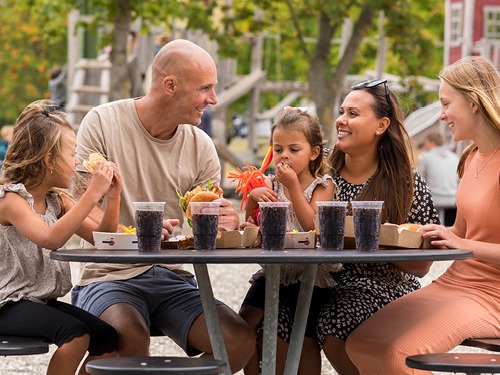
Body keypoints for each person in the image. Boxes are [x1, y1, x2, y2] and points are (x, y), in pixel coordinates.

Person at [71, 39, 254, 373]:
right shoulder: (101, 123)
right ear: (170, 86)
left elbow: (203, 229)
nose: (213, 99)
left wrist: (225, 222)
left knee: (239, 340)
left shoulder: (200, 145)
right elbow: (80, 213)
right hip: (108, 276)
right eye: (205, 88)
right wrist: (138, 237)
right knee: (128, 338)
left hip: (171, 276)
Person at [345, 56, 500, 374]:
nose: (441, 115)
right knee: (361, 343)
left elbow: (467, 243)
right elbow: (463, 231)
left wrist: (457, 243)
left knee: (396, 353)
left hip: (492, 295)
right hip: (457, 281)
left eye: (446, 103)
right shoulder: (471, 158)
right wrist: (425, 233)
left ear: (473, 102)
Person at [307, 79, 439, 375]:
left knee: (337, 319)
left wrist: (374, 239)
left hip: (385, 285)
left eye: (353, 114)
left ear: (381, 125)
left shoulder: (405, 181)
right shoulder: (322, 175)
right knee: (275, 317)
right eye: (342, 112)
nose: (341, 120)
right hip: (320, 281)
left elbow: (424, 264)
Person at [0, 100, 120, 375]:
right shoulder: (11, 200)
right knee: (75, 333)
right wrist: (91, 194)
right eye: (73, 153)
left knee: (107, 338)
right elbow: (50, 238)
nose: (78, 161)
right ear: (49, 160)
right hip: (6, 302)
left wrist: (112, 196)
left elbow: (105, 238)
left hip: (35, 300)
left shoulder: (57, 200)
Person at [238, 106, 337, 375]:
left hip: (310, 276)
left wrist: (293, 187)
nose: (284, 156)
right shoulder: (270, 184)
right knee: (243, 327)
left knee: (299, 338)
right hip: (273, 273)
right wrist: (253, 198)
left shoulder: (323, 185)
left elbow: (312, 225)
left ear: (314, 152)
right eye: (278, 149)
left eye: (294, 149)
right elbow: (250, 224)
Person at [417, 132, 459, 226]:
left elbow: (419, 180)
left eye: (426, 142)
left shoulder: (425, 157)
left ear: (432, 143)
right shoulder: (455, 157)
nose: (425, 145)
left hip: (434, 199)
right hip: (452, 200)